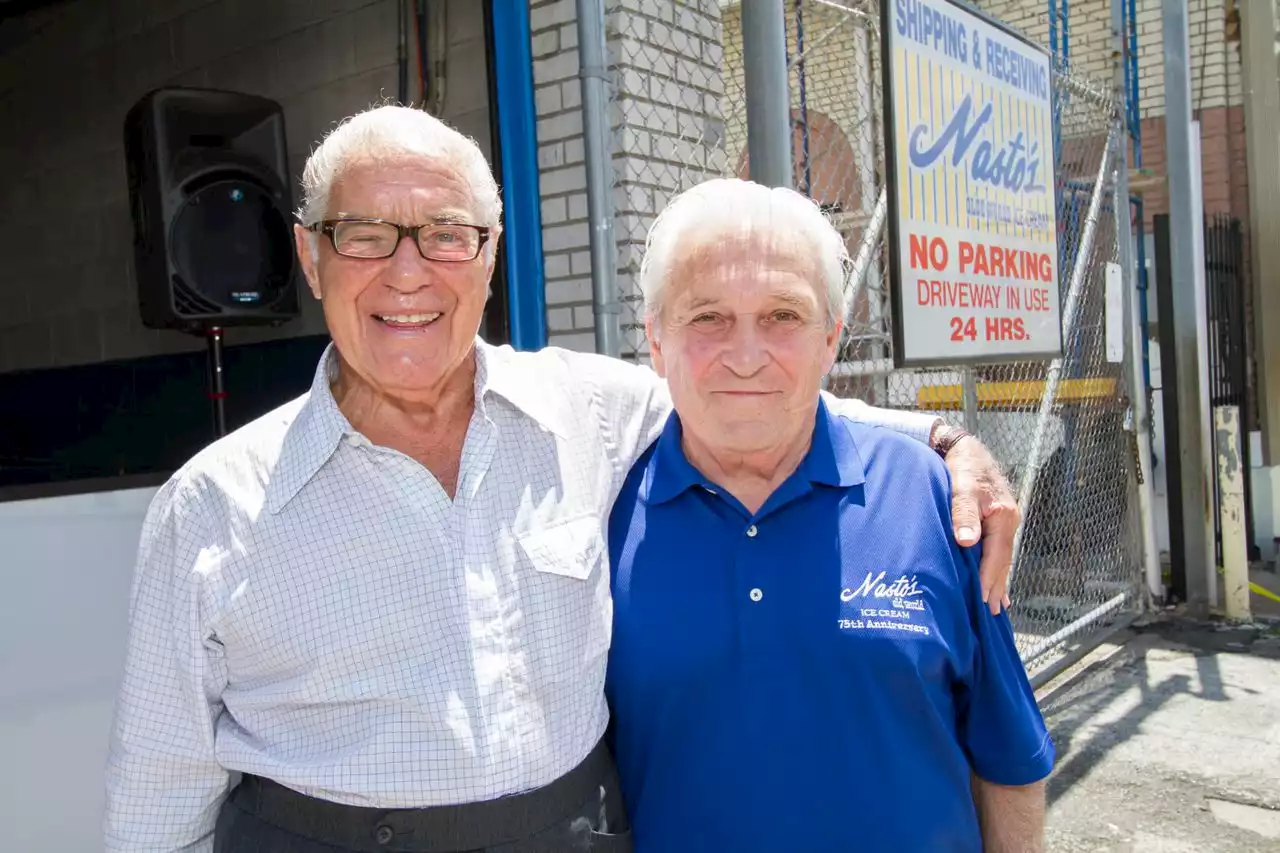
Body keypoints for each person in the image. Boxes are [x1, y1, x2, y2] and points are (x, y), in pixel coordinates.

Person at [103, 106, 1021, 853]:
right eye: (367, 235)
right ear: (310, 257)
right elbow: (155, 809)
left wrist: (940, 442)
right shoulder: (212, 505)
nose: (410, 271)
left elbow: (751, 391)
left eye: (447, 234)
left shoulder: (585, 409)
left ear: (492, 255)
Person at [605, 179, 1054, 853]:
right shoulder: (602, 520)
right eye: (708, 318)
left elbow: (1008, 753)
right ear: (657, 342)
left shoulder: (935, 500)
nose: (747, 355)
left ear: (831, 340)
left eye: (783, 315)